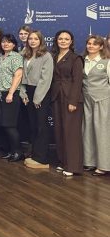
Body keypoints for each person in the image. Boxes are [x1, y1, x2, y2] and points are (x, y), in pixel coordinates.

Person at [50, 30, 84, 176]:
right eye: (60, 39)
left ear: (71, 41)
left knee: (71, 132)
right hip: (56, 97)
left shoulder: (76, 58)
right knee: (59, 130)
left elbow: (78, 81)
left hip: (71, 98)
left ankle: (72, 166)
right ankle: (63, 162)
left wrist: (73, 101)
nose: (63, 41)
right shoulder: (53, 57)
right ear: (56, 41)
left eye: (66, 39)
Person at [20, 30, 54, 170]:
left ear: (41, 41)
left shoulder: (46, 56)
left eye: (36, 39)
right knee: (33, 125)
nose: (32, 41)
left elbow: (45, 79)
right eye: (30, 39)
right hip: (28, 92)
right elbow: (22, 76)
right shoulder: (25, 54)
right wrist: (23, 93)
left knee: (41, 126)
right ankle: (34, 155)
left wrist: (37, 98)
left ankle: (42, 159)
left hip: (41, 93)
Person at [82, 35, 110, 176]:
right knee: (88, 130)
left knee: (102, 132)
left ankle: (104, 165)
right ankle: (90, 162)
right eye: (89, 43)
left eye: (94, 44)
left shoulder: (107, 61)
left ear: (101, 46)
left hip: (102, 100)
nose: (91, 46)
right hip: (86, 100)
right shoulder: (83, 60)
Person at [0, 34, 25, 162]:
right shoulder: (0, 57)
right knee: (3, 124)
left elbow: (18, 75)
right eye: (3, 42)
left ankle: (18, 152)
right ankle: (10, 151)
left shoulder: (16, 57)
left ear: (14, 44)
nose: (5, 44)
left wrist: (11, 93)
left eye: (8, 42)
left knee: (10, 125)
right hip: (0, 93)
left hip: (10, 94)